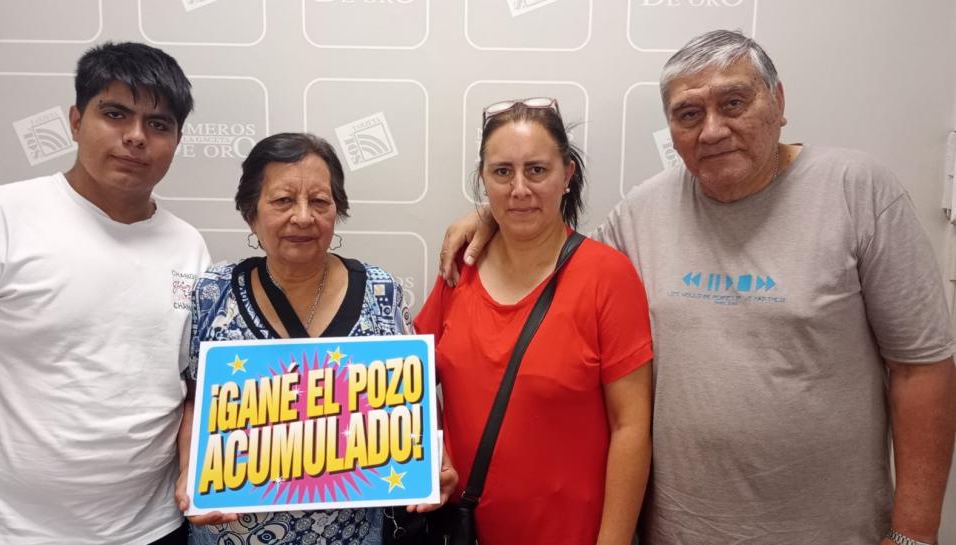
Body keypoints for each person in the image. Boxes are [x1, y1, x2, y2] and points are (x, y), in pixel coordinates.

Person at [439, 31, 956, 545]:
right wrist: (495, 213)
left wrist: (912, 534)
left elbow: (922, 368)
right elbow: (551, 256)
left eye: (734, 102)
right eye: (689, 114)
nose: (712, 130)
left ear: (778, 102)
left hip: (832, 532)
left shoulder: (857, 192)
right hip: (677, 531)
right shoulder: (643, 212)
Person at [175, 132, 457, 545]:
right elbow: (196, 400)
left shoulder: (381, 291)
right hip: (230, 532)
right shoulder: (212, 291)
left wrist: (434, 457)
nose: (303, 217)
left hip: (350, 534)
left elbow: (412, 393)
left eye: (320, 202)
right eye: (283, 200)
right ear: (250, 212)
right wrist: (190, 469)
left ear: (337, 211)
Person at [0, 43, 209, 544]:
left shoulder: (189, 245)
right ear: (74, 120)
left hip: (154, 527)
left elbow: (191, 386)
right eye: (115, 114)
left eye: (158, 124)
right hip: (13, 530)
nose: (135, 137)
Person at [416, 99, 654, 545]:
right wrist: (434, 453)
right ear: (483, 180)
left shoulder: (608, 277)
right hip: (466, 529)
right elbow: (411, 378)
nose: (519, 189)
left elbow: (632, 428)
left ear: (567, 175)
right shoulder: (458, 270)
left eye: (537, 170)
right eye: (502, 172)